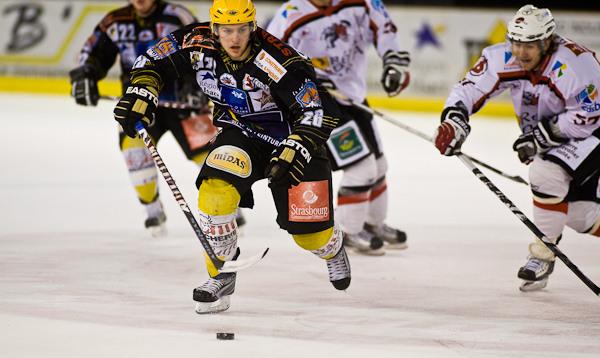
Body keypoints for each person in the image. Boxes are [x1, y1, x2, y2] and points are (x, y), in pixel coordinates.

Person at [113, 0, 352, 313]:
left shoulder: (277, 59)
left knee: (310, 237)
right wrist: (142, 90)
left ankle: (333, 246)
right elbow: (151, 60)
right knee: (214, 195)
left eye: (241, 29)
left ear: (253, 27)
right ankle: (221, 275)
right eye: (227, 30)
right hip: (241, 134)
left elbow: (318, 110)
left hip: (292, 142)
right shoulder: (196, 41)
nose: (235, 38)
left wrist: (298, 145)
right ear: (215, 29)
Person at [433, 5, 600, 291]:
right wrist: (455, 119)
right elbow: (469, 88)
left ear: (546, 42)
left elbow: (590, 114)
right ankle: (548, 245)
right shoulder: (502, 57)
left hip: (592, 133)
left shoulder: (574, 65)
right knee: (578, 215)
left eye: (530, 45)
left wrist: (541, 136)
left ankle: (542, 254)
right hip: (556, 141)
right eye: (517, 43)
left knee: (544, 174)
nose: (521, 52)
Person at [69, 0, 236, 236]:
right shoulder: (114, 22)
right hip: (140, 104)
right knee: (135, 154)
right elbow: (92, 54)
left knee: (210, 156)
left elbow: (204, 49)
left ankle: (229, 208)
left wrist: (196, 85)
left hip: (182, 104)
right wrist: (85, 76)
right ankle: (152, 211)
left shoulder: (177, 16)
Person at [267, 0, 410, 256]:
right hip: (320, 106)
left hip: (354, 97)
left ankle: (373, 224)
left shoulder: (361, 3)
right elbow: (268, 59)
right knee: (362, 169)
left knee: (379, 166)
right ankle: (349, 231)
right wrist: (307, 80)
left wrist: (393, 62)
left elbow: (384, 27)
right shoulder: (290, 14)